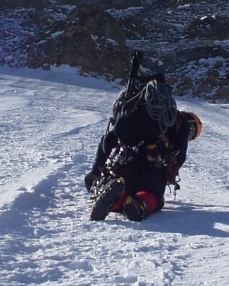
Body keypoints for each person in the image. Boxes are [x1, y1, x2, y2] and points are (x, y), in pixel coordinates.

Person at [85, 54, 203, 221]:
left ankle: (114, 199)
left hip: (123, 162)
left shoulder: (134, 115)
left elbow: (107, 142)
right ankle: (138, 204)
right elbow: (180, 157)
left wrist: (95, 172)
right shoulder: (178, 122)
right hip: (152, 168)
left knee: (119, 185)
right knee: (154, 196)